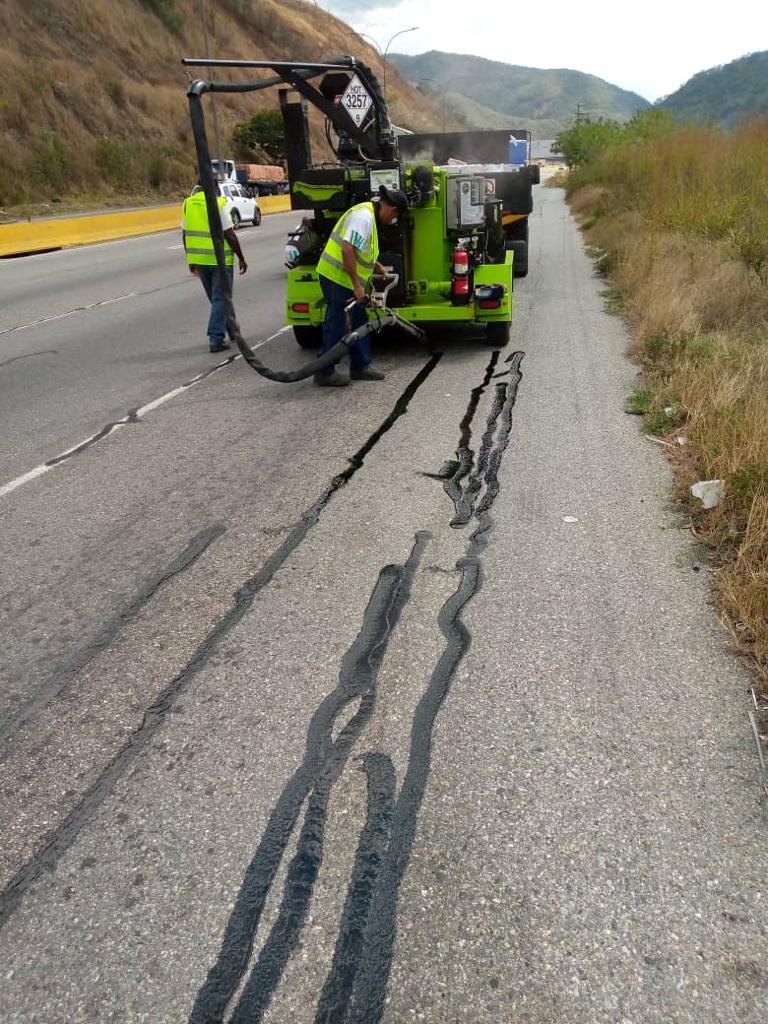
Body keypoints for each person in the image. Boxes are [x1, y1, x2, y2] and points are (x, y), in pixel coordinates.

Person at [315, 185, 408, 387]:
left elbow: (359, 249)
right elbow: (347, 249)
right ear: (392, 209)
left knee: (360, 320)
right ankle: (324, 371)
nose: (392, 221)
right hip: (336, 276)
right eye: (395, 217)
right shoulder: (364, 217)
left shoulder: (370, 218)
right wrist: (357, 286)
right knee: (337, 323)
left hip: (346, 278)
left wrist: (376, 266)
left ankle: (360, 366)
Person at [182, 184, 248, 353]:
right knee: (221, 298)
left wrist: (190, 259)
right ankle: (215, 338)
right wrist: (241, 257)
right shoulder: (219, 203)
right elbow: (229, 234)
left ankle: (232, 329)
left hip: (199, 259)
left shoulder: (188, 203)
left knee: (217, 298)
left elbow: (185, 233)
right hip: (220, 260)